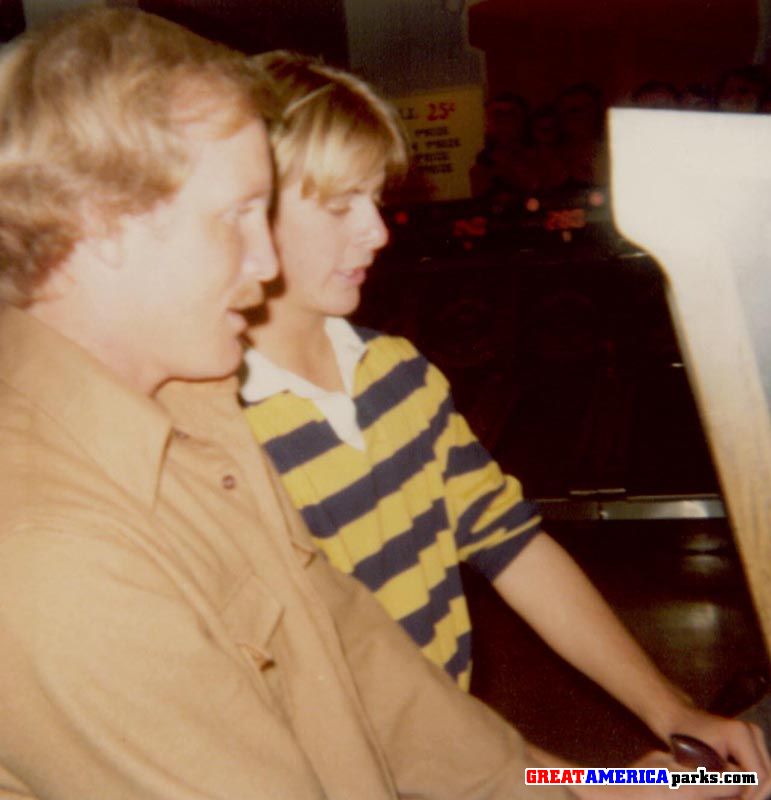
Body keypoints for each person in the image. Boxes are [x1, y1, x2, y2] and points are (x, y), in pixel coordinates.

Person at [0, 9, 579, 799]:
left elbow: (368, 677)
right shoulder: (52, 554)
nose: (266, 262)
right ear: (104, 225)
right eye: (238, 216)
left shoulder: (195, 415)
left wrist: (595, 783)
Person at [240, 51, 771, 781]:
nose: (378, 231)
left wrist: (670, 709)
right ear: (242, 211)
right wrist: (596, 787)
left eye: (373, 198)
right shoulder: (217, 430)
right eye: (338, 206)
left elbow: (513, 547)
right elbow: (352, 712)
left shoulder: (396, 373)